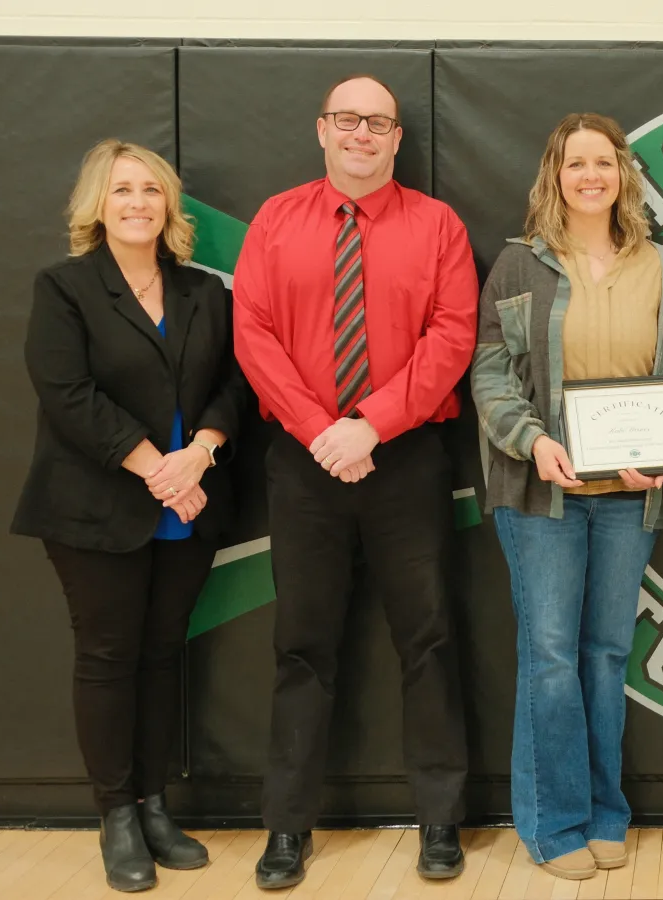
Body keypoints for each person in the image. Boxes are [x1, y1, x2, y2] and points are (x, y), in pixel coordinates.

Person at [231, 74, 478, 889]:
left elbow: (452, 335)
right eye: (348, 120)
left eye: (378, 122)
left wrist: (369, 425)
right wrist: (321, 432)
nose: (362, 134)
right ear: (322, 129)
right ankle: (286, 828)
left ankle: (441, 819)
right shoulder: (275, 220)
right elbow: (254, 335)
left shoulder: (437, 225)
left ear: (398, 137)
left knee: (429, 639)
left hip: (404, 455)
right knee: (302, 645)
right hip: (304, 462)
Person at [12, 138, 251, 893]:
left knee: (161, 655)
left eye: (151, 190)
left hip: (189, 503)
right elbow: (66, 393)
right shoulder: (65, 287)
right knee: (109, 658)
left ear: (169, 205)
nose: (138, 203)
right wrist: (160, 470)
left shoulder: (205, 294)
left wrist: (202, 452)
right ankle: (115, 814)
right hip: (98, 508)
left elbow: (236, 386)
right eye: (122, 191)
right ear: (97, 205)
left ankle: (153, 805)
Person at [471, 112, 663, 881]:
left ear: (624, 175)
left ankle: (606, 813)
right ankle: (554, 822)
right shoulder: (518, 266)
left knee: (606, 656)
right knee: (552, 658)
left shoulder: (662, 269)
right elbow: (489, 372)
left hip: (631, 498)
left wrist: (659, 455)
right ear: (554, 176)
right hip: (542, 495)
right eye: (577, 164)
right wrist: (533, 439)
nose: (591, 175)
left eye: (605, 162)